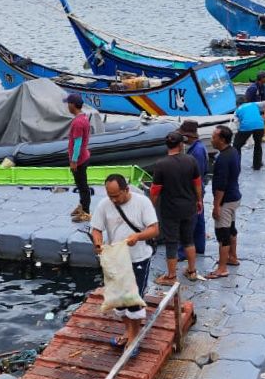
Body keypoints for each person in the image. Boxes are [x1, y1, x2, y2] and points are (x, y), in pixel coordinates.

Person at [90, 173, 159, 348]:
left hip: (138, 257)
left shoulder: (142, 202)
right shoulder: (104, 205)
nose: (113, 200)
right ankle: (128, 331)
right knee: (119, 300)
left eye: (116, 195)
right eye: (109, 195)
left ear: (126, 189)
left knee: (133, 300)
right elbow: (96, 229)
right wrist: (97, 242)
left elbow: (154, 229)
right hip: (116, 259)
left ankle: (134, 337)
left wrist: (139, 236)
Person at [150, 132, 203, 284]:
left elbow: (155, 190)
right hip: (189, 207)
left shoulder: (161, 164)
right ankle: (192, 271)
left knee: (171, 242)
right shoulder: (191, 160)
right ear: (181, 145)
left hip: (169, 210)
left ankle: (171, 276)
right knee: (188, 240)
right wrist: (199, 200)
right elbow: (197, 183)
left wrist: (151, 208)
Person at [207, 126, 241, 279]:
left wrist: (216, 206)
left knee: (223, 234)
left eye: (214, 137)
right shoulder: (233, 151)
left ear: (221, 139)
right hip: (235, 196)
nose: (211, 139)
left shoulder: (222, 159)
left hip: (226, 201)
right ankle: (232, 257)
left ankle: (222, 268)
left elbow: (221, 186)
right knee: (232, 229)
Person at [177, 119, 208, 260]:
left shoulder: (197, 152)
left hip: (193, 191)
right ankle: (199, 247)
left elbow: (196, 175)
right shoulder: (198, 148)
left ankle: (183, 252)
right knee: (199, 220)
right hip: (197, 190)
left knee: (189, 222)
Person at [65, 93, 92, 223]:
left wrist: (74, 160)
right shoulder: (84, 118)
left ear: (72, 105)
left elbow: (77, 143)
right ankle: (82, 206)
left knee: (82, 186)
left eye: (68, 104)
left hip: (80, 159)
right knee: (81, 185)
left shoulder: (77, 122)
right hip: (84, 156)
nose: (67, 106)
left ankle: (86, 212)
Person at [233, 97, 265, 170]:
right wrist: (264, 117)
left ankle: (236, 166)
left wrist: (240, 135)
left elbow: (237, 124)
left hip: (246, 127)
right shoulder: (253, 104)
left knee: (236, 145)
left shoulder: (237, 110)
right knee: (258, 144)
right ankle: (257, 165)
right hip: (260, 126)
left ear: (237, 105)